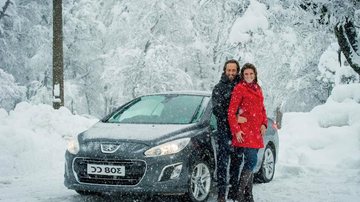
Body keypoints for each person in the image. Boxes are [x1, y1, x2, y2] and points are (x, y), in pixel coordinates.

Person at [228, 63, 267, 202]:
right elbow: (231, 112)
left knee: (251, 162)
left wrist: (264, 124)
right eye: (246, 74)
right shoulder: (240, 88)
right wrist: (237, 130)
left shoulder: (258, 89)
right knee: (251, 161)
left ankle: (248, 196)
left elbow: (262, 109)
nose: (249, 76)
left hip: (257, 131)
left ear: (255, 74)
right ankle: (239, 194)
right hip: (246, 131)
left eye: (251, 74)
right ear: (243, 76)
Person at [212, 59, 246, 202]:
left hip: (239, 131)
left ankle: (234, 192)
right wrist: (232, 117)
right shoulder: (218, 88)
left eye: (233, 70)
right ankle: (221, 194)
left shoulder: (242, 87)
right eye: (229, 70)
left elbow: (248, 107)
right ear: (225, 71)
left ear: (237, 71)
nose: (231, 73)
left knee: (237, 162)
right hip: (224, 131)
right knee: (222, 164)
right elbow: (216, 110)